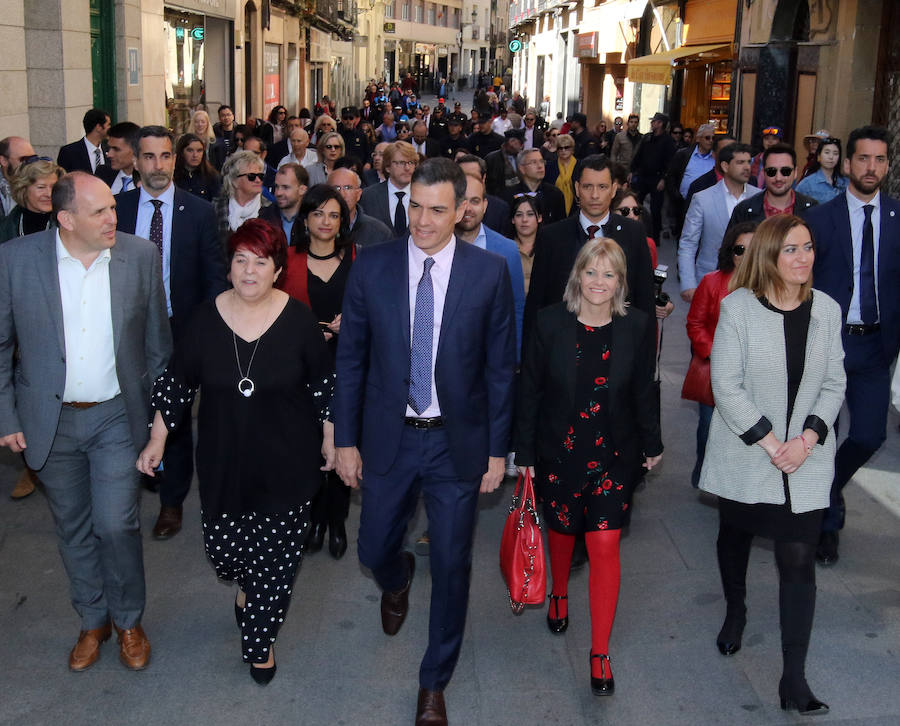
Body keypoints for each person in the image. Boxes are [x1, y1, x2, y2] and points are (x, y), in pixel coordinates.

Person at [333, 158, 516, 726]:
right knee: (373, 550)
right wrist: (345, 440)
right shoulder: (373, 265)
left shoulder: (488, 273)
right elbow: (351, 359)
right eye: (415, 206)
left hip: (455, 444)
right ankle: (397, 579)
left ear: (461, 210)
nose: (423, 220)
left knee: (454, 564)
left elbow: (500, 370)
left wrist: (497, 451)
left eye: (437, 209)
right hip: (389, 438)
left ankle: (434, 680)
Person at [137, 218, 334, 684]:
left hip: (288, 464)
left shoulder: (299, 320)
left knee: (276, 564)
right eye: (240, 260)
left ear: (278, 270)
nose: (249, 271)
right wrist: (157, 439)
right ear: (228, 268)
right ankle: (248, 585)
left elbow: (325, 387)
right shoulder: (204, 320)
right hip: (223, 464)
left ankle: (260, 642)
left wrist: (331, 438)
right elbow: (176, 385)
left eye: (260, 262)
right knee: (225, 553)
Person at [0, 172, 172, 671]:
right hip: (48, 421)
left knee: (116, 525)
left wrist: (160, 424)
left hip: (117, 416)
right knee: (72, 527)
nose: (113, 218)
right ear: (66, 219)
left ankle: (128, 620)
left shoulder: (140, 256)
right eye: (99, 212)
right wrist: (7, 415)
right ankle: (92, 620)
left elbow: (159, 349)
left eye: (113, 208)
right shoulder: (15, 260)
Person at [699, 213, 845, 715]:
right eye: (791, 249)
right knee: (735, 534)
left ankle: (793, 678)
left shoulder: (827, 310)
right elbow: (726, 384)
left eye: (807, 247)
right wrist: (771, 442)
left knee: (798, 558)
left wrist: (806, 440)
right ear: (768, 255)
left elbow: (834, 383)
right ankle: (735, 611)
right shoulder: (738, 307)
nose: (803, 257)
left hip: (806, 457)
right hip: (748, 453)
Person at [514, 236, 662, 698]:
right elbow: (530, 390)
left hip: (615, 453)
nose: (599, 282)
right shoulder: (548, 322)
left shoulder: (637, 326)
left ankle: (599, 651)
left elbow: (644, 388)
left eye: (609, 274)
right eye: (591, 271)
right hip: (560, 450)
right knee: (561, 533)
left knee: (604, 543)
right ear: (578, 275)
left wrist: (652, 442)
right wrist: (524, 454)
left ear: (621, 282)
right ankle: (559, 592)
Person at [115, 125, 228, 536]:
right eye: (149, 157)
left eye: (165, 156)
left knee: (173, 412)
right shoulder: (116, 209)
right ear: (135, 161)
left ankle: (171, 501)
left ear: (174, 160)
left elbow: (214, 277)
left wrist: (206, 332)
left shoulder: (198, 212)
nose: (158, 165)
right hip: (127, 330)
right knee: (129, 409)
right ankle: (131, 480)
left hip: (181, 329)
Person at [803, 125, 900, 565]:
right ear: (847, 165)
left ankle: (827, 490)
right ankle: (826, 525)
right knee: (821, 435)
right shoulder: (820, 219)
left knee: (868, 435)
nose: (871, 167)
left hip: (876, 347)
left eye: (879, 159)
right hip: (828, 343)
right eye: (863, 158)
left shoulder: (897, 217)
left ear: (888, 166)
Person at [278, 185, 354, 558]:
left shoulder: (358, 258)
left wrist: (350, 323)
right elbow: (272, 310)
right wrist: (305, 331)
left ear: (343, 222)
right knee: (306, 446)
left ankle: (336, 520)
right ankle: (313, 519)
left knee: (342, 442)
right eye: (318, 214)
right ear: (305, 219)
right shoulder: (287, 260)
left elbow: (374, 311)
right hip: (299, 368)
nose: (326, 222)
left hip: (346, 365)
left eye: (334, 215)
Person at [525, 155, 655, 342]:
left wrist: (646, 355)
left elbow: (644, 300)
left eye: (602, 187)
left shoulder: (633, 234)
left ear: (613, 189)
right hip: (563, 344)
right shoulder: (551, 236)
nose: (595, 195)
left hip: (619, 344)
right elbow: (536, 303)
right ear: (577, 188)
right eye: (588, 187)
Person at [683, 221, 757, 488]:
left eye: (753, 249)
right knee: (709, 427)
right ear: (730, 252)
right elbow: (695, 324)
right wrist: (717, 354)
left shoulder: (773, 285)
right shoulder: (712, 282)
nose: (746, 256)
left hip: (757, 374)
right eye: (740, 250)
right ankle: (705, 474)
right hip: (717, 373)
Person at [456, 172, 526, 352]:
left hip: (491, 353)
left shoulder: (507, 250)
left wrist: (514, 356)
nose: (468, 208)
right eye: (462, 200)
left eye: (475, 201)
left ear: (485, 205)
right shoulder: (435, 246)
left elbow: (516, 308)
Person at [678, 143, 756, 302]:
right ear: (725, 166)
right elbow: (688, 243)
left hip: (752, 283)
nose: (747, 167)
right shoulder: (703, 198)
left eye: (749, 162)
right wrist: (688, 284)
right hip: (710, 280)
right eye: (740, 162)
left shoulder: (758, 197)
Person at [728, 143, 817, 228]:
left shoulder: (812, 209)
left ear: (795, 172)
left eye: (785, 171)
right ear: (763, 173)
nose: (778, 178)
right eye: (771, 171)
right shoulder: (743, 211)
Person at [630, 112, 678, 241]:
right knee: (636, 204)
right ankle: (635, 231)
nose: (652, 123)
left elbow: (671, 163)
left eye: (654, 121)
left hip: (657, 178)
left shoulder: (668, 141)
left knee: (655, 209)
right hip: (643, 176)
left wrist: (664, 179)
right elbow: (638, 156)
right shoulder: (647, 138)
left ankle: (654, 238)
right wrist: (632, 170)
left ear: (660, 124)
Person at [213, 150, 270, 254]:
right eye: (251, 176)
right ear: (234, 181)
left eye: (261, 176)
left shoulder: (270, 209)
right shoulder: (215, 208)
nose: (258, 180)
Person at [358, 140, 418, 234]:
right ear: (387, 167)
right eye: (401, 163)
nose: (407, 168)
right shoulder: (368, 196)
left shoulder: (425, 195)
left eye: (411, 162)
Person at [0, 157, 64, 243]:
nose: (49, 194)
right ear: (23, 189)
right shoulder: (5, 228)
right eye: (41, 187)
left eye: (54, 187)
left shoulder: (68, 224)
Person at [328, 166, 392, 249]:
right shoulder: (318, 229)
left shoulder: (379, 232)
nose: (342, 194)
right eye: (336, 188)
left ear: (358, 194)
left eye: (348, 188)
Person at [259, 162, 309, 244]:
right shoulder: (264, 217)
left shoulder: (313, 220)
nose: (278, 193)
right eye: (276, 186)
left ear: (302, 190)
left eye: (285, 187)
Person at [795, 136, 848, 204]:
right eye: (827, 152)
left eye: (835, 153)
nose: (831, 157)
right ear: (819, 156)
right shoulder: (807, 184)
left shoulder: (846, 183)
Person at [57, 108, 110, 174]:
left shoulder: (110, 150)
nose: (110, 128)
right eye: (108, 125)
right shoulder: (68, 152)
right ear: (98, 127)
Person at [173, 133, 222, 202]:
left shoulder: (212, 176)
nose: (195, 155)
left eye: (199, 150)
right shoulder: (173, 176)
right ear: (181, 152)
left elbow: (218, 203)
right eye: (190, 150)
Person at [510, 194, 543, 294]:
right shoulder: (505, 248)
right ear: (513, 219)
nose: (524, 220)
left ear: (539, 218)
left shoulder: (549, 247)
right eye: (519, 215)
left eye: (530, 214)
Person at [95, 122, 140, 194]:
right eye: (109, 148)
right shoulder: (102, 174)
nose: (109, 154)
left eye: (116, 149)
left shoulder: (149, 181)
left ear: (135, 150)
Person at [0, 136, 37, 217]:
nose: (29, 164)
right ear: (3, 161)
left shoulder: (39, 184)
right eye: (24, 159)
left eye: (33, 159)